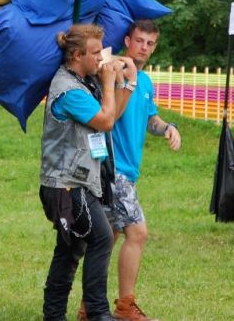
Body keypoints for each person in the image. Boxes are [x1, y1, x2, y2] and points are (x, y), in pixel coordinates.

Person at [83, 19, 180, 321]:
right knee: (137, 233)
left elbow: (150, 119)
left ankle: (89, 306)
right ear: (127, 39)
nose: (144, 48)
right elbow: (112, 114)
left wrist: (168, 128)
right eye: (140, 41)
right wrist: (130, 78)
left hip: (128, 171)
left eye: (150, 43)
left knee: (106, 237)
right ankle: (125, 307)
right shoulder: (111, 70)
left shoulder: (146, 82)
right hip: (113, 168)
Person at [40, 23, 128, 321]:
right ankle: (98, 313)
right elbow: (105, 121)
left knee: (70, 249)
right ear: (77, 55)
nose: (100, 60)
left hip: (74, 183)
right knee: (101, 239)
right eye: (94, 54)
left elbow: (110, 112)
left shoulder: (81, 83)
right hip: (67, 185)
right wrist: (107, 80)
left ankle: (53, 316)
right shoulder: (69, 90)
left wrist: (119, 81)